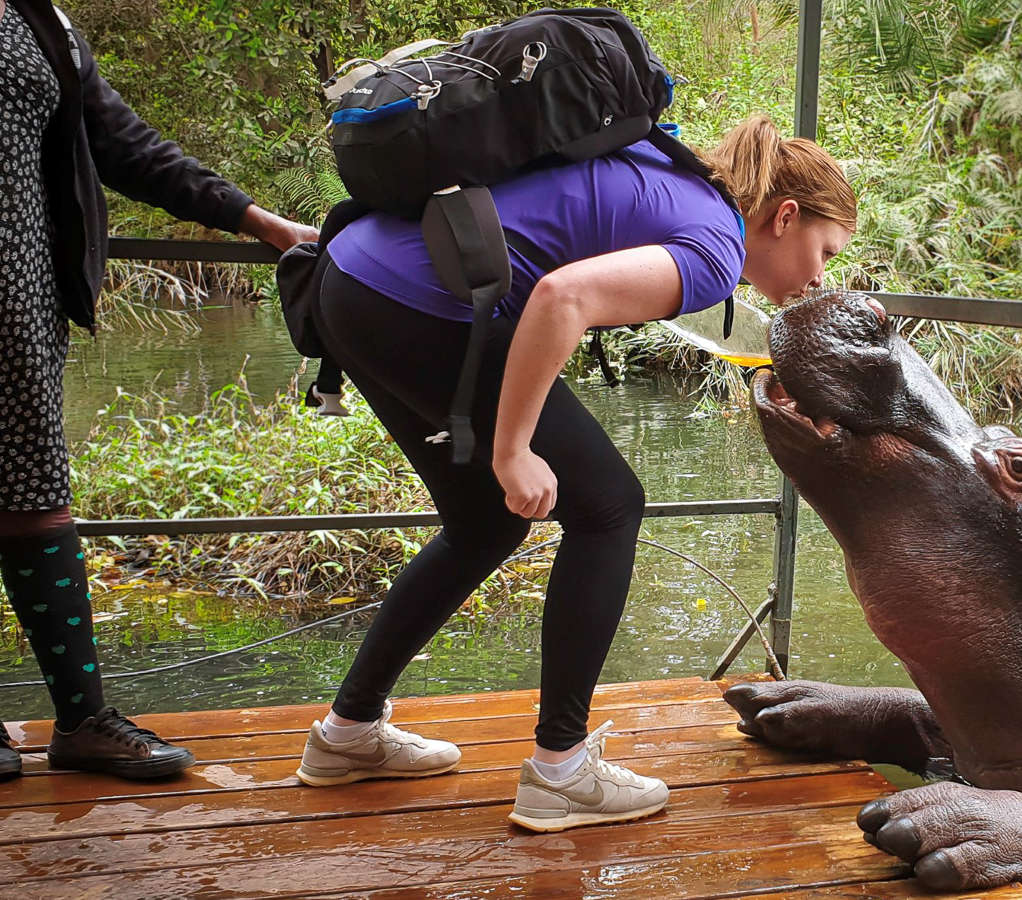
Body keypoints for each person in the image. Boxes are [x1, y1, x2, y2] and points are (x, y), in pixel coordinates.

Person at [295, 113, 856, 833]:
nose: (818, 277)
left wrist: (512, 445)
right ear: (785, 216)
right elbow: (563, 298)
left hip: (351, 280)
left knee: (483, 521)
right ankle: (560, 769)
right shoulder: (717, 244)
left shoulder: (674, 179)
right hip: (418, 301)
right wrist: (512, 448)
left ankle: (347, 735)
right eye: (825, 251)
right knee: (611, 506)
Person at [0, 0, 317, 781]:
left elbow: (126, 146)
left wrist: (263, 224)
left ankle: (82, 722)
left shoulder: (38, 18)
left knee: (35, 498)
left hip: (17, 294)